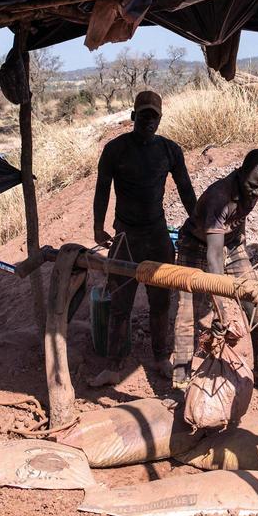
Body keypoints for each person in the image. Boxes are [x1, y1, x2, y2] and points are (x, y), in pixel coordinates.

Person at [89, 90, 197, 387]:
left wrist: (198, 224)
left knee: (160, 302)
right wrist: (98, 228)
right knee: (120, 303)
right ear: (133, 116)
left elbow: (186, 189)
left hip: (157, 234)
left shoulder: (170, 150)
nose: (149, 121)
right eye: (144, 115)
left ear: (160, 120)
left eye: (155, 116)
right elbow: (102, 191)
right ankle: (114, 366)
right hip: (125, 235)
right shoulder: (115, 150)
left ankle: (161, 358)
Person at [172, 148, 258, 398]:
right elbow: (214, 257)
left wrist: (241, 249)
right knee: (187, 314)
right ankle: (180, 382)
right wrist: (220, 308)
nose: (255, 193)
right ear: (240, 173)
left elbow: (238, 220)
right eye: (252, 186)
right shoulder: (219, 197)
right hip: (196, 246)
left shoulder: (253, 187)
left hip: (230, 244)